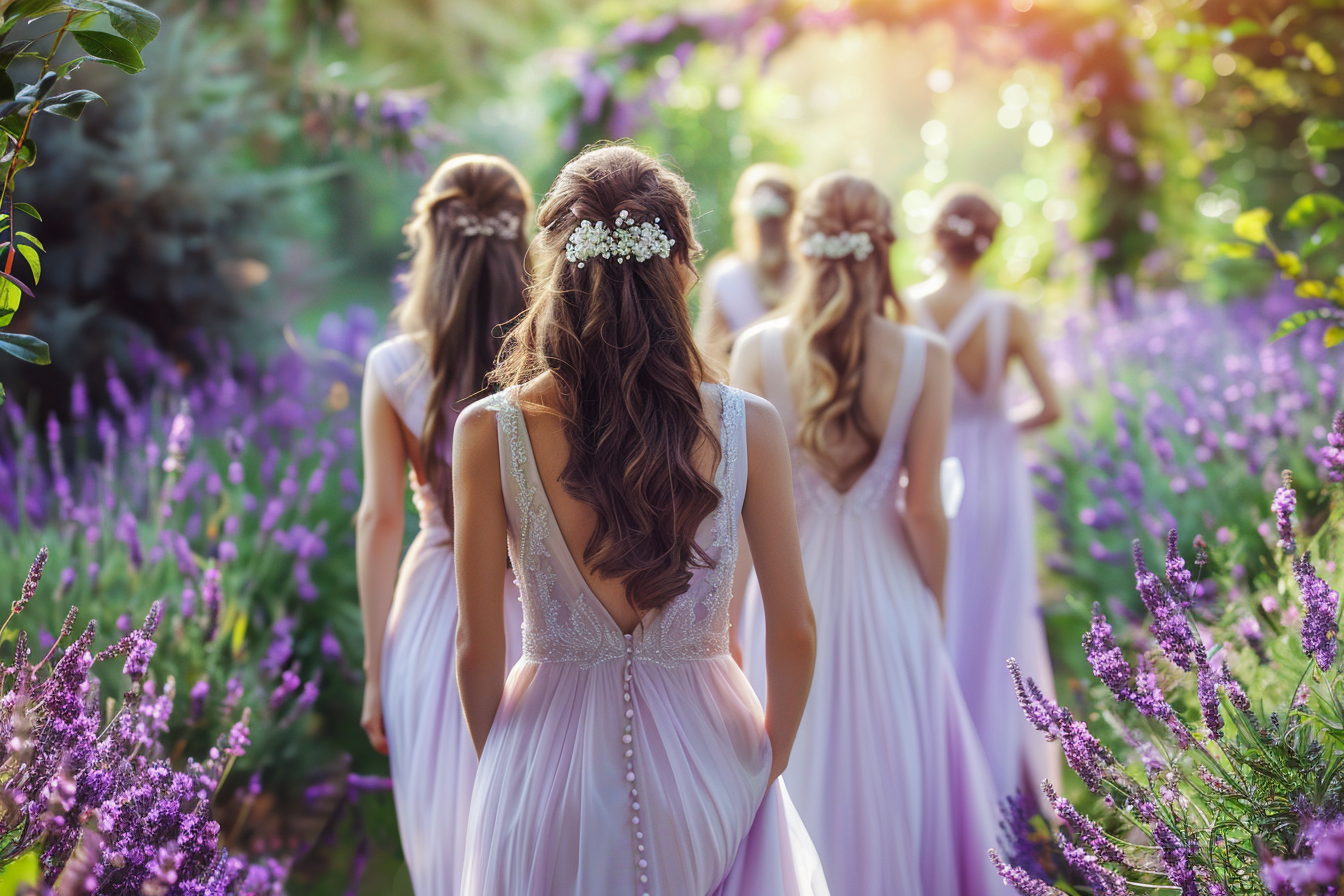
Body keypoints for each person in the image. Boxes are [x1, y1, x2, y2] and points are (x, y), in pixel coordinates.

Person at [452, 144, 828, 896]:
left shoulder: (489, 429)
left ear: (553, 265)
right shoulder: (747, 425)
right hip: (709, 762)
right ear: (682, 267)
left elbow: (474, 645)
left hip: (542, 765)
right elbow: (794, 632)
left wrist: (510, 770)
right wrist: (765, 765)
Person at [731, 172, 1000, 896]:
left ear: (803, 240)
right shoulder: (925, 356)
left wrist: (724, 626)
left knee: (791, 775)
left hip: (787, 593)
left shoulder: (756, 350)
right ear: (885, 245)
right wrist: (933, 605)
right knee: (896, 777)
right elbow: (921, 508)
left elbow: (737, 513)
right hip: (891, 599)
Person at [355, 154, 529, 896]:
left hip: (433, 616)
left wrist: (372, 672)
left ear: (430, 240)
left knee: (448, 845)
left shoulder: (393, 365)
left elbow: (380, 518)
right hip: (538, 607)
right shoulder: (550, 362)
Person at [907, 185, 1063, 801]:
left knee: (944, 609)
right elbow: (1052, 407)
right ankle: (1008, 782)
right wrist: (998, 427)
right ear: (989, 242)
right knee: (999, 617)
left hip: (929, 470)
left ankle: (946, 774)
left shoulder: (908, 310)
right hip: (995, 476)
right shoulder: (1009, 314)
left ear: (935, 238)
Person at [696, 164, 798, 360]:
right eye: (763, 217)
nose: (770, 227)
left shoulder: (811, 272)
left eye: (777, 218)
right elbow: (707, 349)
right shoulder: (725, 275)